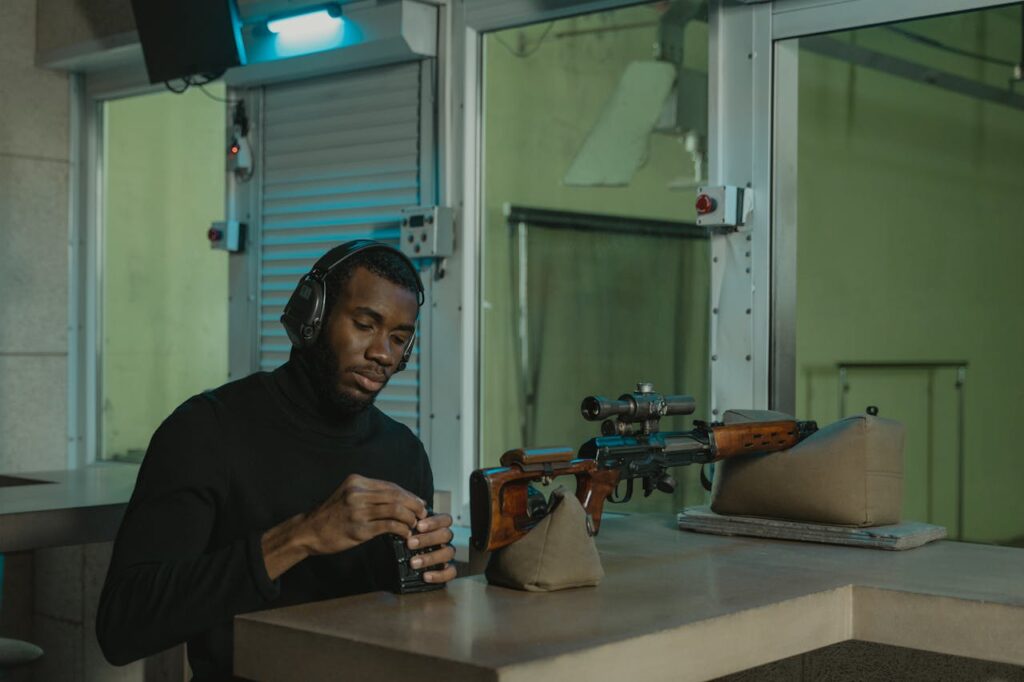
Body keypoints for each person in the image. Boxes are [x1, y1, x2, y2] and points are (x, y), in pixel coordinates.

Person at [96, 241, 456, 680]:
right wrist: (300, 536)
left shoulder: (403, 452)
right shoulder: (206, 431)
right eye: (365, 324)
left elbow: (408, 627)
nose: (383, 353)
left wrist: (428, 577)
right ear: (313, 317)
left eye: (399, 338)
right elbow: (122, 627)